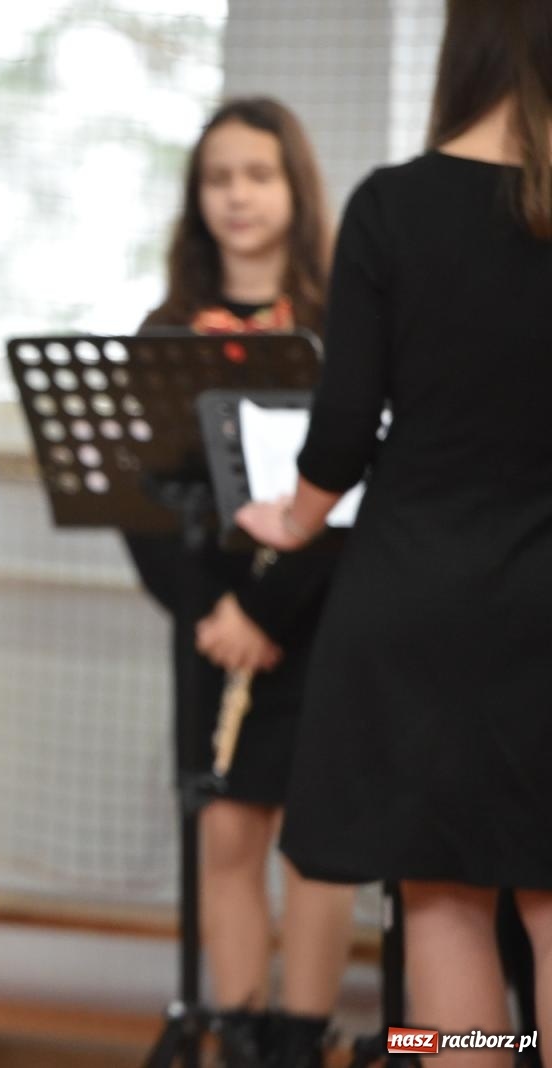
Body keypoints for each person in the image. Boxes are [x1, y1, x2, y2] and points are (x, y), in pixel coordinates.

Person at [238, 3, 552, 1064]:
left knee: (439, 899)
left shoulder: (393, 206)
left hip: (421, 601)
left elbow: (340, 431)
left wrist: (288, 520)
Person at [125, 98, 354, 1068]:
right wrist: (213, 611)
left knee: (316, 844)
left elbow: (359, 483)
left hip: (323, 618)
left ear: (294, 189)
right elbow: (140, 505)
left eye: (258, 174)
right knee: (224, 834)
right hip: (211, 623)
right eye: (218, 178)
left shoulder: (345, 317)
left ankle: (299, 1041)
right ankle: (238, 1032)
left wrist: (266, 611)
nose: (238, 196)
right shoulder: (165, 327)